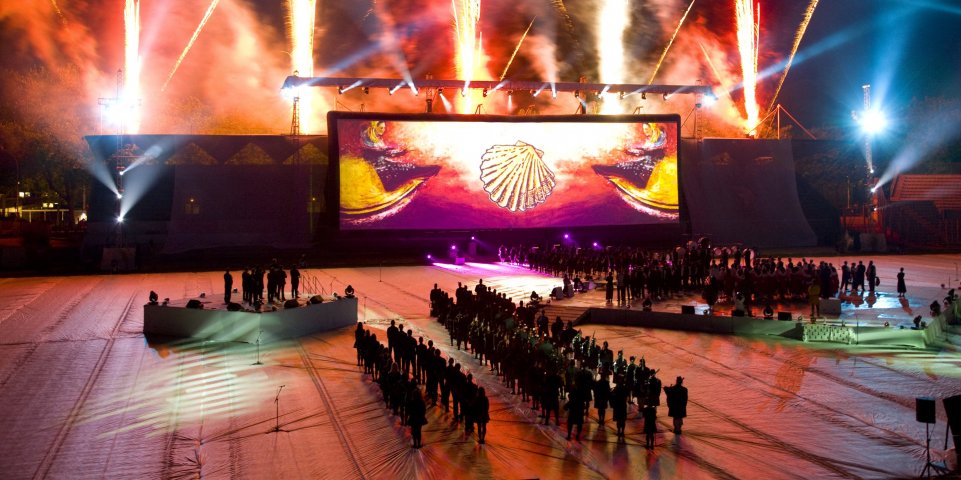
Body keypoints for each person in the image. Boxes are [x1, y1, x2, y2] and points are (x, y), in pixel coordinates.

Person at [407, 384, 428, 448]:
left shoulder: (412, 401)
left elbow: (409, 410)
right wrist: (422, 416)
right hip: (419, 418)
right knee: (418, 431)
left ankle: (415, 443)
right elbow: (424, 410)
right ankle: (418, 444)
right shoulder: (422, 402)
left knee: (413, 431)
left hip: (413, 418)